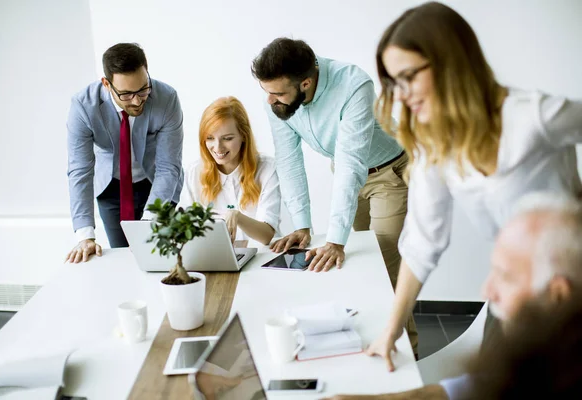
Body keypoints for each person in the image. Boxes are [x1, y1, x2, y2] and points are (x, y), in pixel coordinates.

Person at [366, 1, 582, 371]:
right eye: (393, 83)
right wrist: (391, 329)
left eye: (408, 77)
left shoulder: (534, 116)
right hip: (513, 291)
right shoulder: (436, 147)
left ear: (449, 62)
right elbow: (422, 244)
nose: (400, 95)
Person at [324, 192, 582, 399]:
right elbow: (474, 386)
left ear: (558, 293)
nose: (487, 292)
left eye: (506, 276)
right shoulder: (543, 349)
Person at [251, 38, 417, 354]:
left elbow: (351, 160)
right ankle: (364, 343)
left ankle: (409, 356)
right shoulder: (275, 97)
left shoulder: (354, 84)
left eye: (279, 93)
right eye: (267, 92)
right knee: (359, 264)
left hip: (390, 174)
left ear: (306, 82)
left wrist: (335, 238)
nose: (271, 101)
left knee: (386, 266)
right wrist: (302, 225)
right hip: (346, 173)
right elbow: (289, 159)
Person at [65, 43, 184, 262]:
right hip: (111, 188)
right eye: (127, 94)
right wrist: (85, 236)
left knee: (161, 258)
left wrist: (150, 223)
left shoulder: (167, 98)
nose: (138, 101)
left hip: (157, 182)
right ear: (107, 84)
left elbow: (169, 166)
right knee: (124, 260)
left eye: (143, 89)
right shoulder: (83, 106)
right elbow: (80, 171)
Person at [182, 96, 281, 245]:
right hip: (215, 259)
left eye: (227, 138)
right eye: (210, 138)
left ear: (243, 136)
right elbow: (183, 228)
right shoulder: (194, 172)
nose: (218, 147)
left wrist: (237, 217)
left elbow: (266, 235)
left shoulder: (267, 169)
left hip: (262, 257)